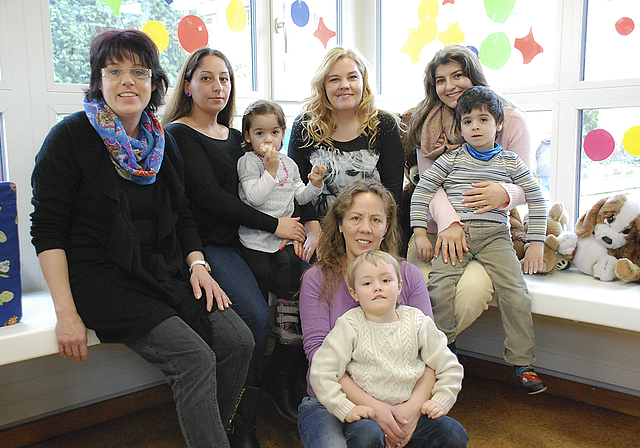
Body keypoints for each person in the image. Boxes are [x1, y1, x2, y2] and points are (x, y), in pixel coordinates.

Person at [30, 30, 254, 448]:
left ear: (155, 83)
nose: (127, 81)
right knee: (194, 358)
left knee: (238, 341)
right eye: (114, 71)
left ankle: (208, 434)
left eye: (139, 71)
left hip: (162, 270)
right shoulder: (69, 139)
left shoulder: (161, 141)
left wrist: (198, 266)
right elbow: (47, 230)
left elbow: (183, 214)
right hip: (102, 278)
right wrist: (66, 312)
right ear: (99, 81)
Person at [163, 48, 306, 437]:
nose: (217, 86)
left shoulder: (236, 137)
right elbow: (212, 198)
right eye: (206, 78)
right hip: (211, 247)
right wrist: (276, 225)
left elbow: (265, 185)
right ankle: (240, 421)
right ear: (188, 85)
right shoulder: (179, 133)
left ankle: (287, 384)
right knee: (257, 319)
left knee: (306, 287)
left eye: (224, 78)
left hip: (250, 241)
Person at [299, 179, 468, 448]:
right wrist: (376, 409)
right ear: (340, 225)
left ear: (386, 227)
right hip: (331, 399)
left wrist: (411, 410)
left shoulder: (408, 275)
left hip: (401, 400)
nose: (365, 228)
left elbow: (431, 355)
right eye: (356, 218)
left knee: (451, 435)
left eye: (376, 220)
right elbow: (319, 359)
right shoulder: (317, 279)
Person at [411, 86, 548, 394]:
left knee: (516, 293)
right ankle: (444, 351)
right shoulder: (450, 160)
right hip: (454, 237)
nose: (475, 126)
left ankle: (522, 363)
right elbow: (424, 191)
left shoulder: (510, 162)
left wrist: (537, 243)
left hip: (495, 237)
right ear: (460, 127)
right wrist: (421, 232)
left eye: (483, 120)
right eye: (468, 121)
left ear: (498, 124)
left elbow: (537, 198)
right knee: (440, 288)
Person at [404, 44, 534, 345]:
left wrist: (503, 192)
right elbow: (429, 184)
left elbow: (528, 185)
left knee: (470, 294)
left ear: (473, 75)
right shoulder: (428, 126)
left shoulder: (510, 119)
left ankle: (424, 360)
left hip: (488, 231)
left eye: (458, 75)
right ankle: (407, 361)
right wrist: (450, 224)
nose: (449, 86)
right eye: (440, 80)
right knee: (418, 289)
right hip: (437, 231)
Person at [309, 250, 465, 448]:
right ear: (354, 293)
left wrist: (441, 400)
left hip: (411, 414)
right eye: (367, 283)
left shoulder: (417, 321)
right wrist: (345, 408)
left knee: (453, 433)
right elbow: (322, 371)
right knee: (367, 435)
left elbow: (450, 366)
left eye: (385, 280)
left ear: (399, 286)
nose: (377, 288)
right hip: (367, 416)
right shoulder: (349, 325)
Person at [288, 46, 404, 261]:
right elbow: (293, 186)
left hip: (372, 231)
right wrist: (313, 229)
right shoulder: (305, 126)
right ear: (323, 85)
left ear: (363, 81)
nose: (344, 85)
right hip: (319, 229)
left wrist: (374, 234)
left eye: (352, 77)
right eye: (334, 79)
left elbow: (392, 192)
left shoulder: (384, 125)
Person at [238, 99, 326, 345]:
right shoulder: (248, 161)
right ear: (248, 136)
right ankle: (262, 319)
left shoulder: (289, 163)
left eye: (274, 133)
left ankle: (286, 316)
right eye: (260, 133)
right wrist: (270, 170)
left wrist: (315, 185)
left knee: (289, 263)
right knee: (261, 272)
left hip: (283, 236)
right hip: (256, 235)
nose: (268, 140)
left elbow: (299, 194)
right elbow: (255, 198)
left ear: (283, 134)